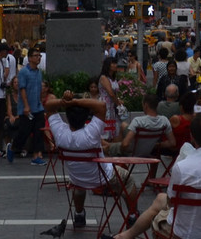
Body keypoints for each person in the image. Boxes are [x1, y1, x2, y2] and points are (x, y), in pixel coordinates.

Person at [102, 113, 201, 239]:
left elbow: (172, 202)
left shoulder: (183, 167)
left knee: (160, 205)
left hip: (182, 233)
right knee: (160, 199)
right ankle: (124, 236)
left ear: (192, 136)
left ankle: (124, 236)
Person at [47, 93, 135, 230]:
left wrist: (66, 101)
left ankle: (79, 214)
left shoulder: (60, 133)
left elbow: (48, 106)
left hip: (77, 179)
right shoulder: (91, 133)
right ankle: (132, 216)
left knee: (78, 183)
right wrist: (75, 101)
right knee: (128, 179)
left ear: (68, 117)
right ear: (86, 117)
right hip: (103, 178)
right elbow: (101, 106)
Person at [12, 46, 47, 165]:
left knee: (38, 132)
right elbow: (22, 90)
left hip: (38, 107)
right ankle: (13, 147)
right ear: (30, 58)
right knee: (24, 132)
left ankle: (36, 156)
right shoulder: (23, 72)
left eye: (39, 56)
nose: (38, 58)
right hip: (27, 109)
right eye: (36, 56)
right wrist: (26, 106)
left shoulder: (38, 72)